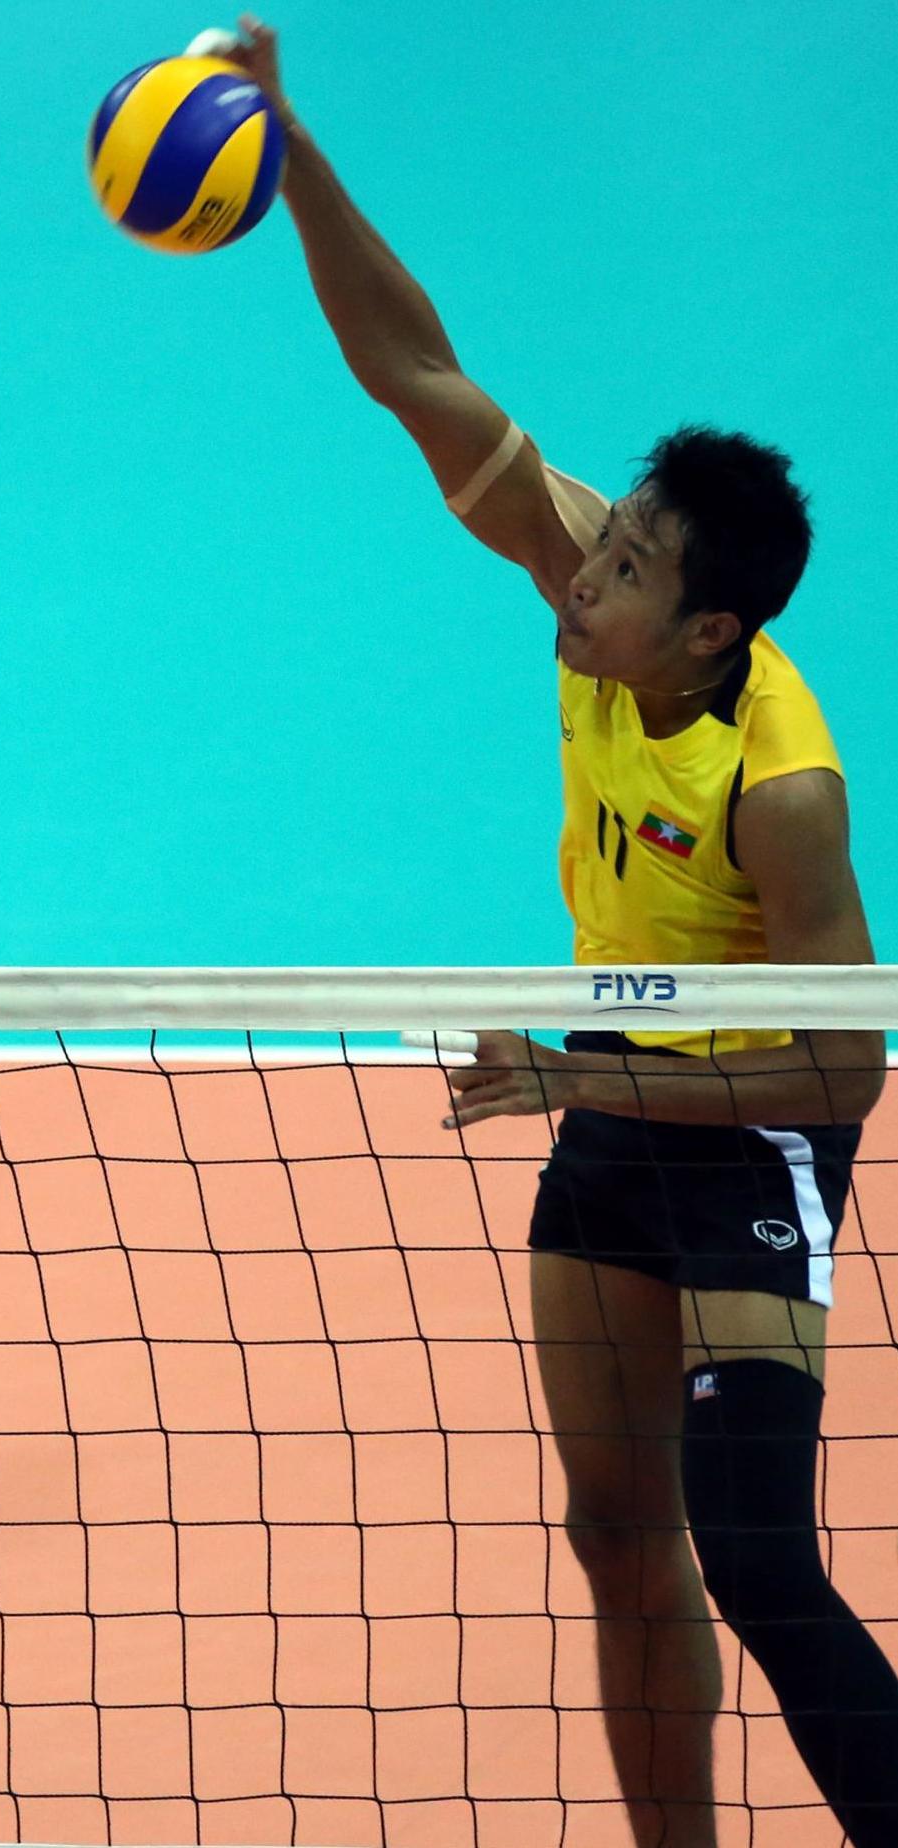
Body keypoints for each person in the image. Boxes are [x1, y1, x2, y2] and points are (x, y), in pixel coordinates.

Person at [219, 18, 894, 1842]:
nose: (583, 574)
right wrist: (290, 149)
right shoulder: (596, 607)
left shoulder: (785, 789)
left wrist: (565, 1074)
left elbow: (846, 1064)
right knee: (617, 1532)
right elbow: (414, 367)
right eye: (609, 543)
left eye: (630, 570)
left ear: (711, 631)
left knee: (760, 1557)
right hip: (609, 1083)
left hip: (751, 1121)